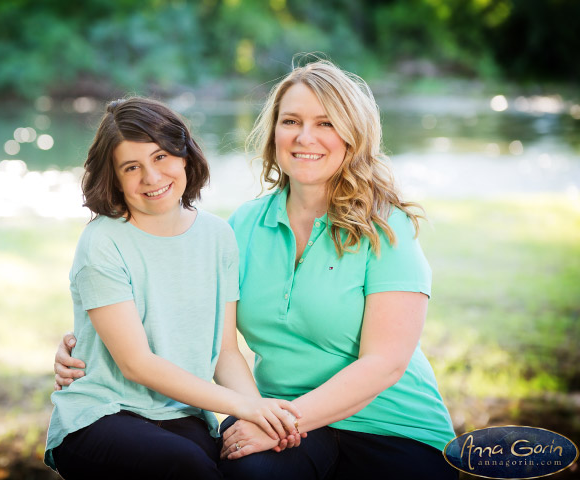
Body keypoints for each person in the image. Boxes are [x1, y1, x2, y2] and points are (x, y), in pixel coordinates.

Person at [54, 61, 458, 479]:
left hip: (388, 425)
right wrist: (84, 348)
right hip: (276, 413)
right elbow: (183, 314)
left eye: (325, 123)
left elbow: (384, 364)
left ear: (354, 135)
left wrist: (279, 419)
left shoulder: (387, 229)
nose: (305, 137)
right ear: (274, 132)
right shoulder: (241, 228)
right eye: (291, 121)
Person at [44, 97, 302, 480]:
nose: (151, 176)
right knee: (187, 466)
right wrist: (245, 408)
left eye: (161, 156)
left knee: (241, 467)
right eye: (132, 167)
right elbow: (136, 363)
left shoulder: (218, 236)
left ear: (184, 157)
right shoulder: (102, 241)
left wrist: (259, 413)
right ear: (113, 178)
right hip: (101, 415)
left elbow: (225, 352)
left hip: (184, 416)